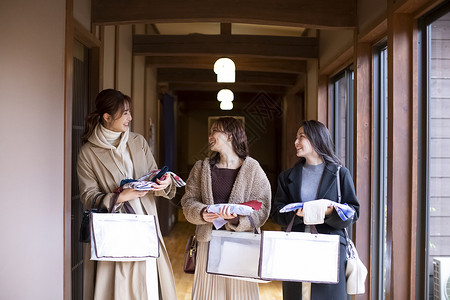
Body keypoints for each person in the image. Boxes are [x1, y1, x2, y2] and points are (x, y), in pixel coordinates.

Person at [77, 89, 177, 300]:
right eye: (125, 113)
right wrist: (120, 197)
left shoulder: (138, 141)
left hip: (146, 222)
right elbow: (88, 195)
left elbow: (154, 173)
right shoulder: (88, 152)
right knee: (119, 289)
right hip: (116, 228)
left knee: (149, 285)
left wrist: (163, 181)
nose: (130, 118)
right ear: (107, 117)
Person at [181, 117, 272, 300]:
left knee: (240, 295)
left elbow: (263, 208)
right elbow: (188, 201)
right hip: (208, 242)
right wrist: (202, 213)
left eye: (215, 131)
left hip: (241, 245)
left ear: (230, 136)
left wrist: (237, 219)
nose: (210, 136)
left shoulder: (252, 168)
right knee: (208, 294)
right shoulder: (201, 168)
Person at [271, 120, 360, 300]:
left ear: (316, 139)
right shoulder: (287, 177)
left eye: (301, 137)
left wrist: (327, 212)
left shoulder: (340, 174)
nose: (296, 142)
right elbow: (276, 213)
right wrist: (297, 214)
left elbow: (353, 211)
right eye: (296, 138)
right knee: (296, 296)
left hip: (330, 247)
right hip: (295, 246)